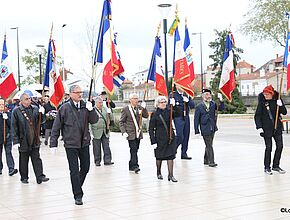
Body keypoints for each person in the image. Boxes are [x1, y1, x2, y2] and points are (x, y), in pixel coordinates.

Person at [50, 85, 98, 205]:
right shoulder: (64, 108)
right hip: (71, 143)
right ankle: (78, 195)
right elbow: (56, 127)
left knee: (86, 167)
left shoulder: (85, 106)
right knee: (74, 170)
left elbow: (94, 120)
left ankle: (77, 186)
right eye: (77, 92)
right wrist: (53, 143)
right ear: (70, 94)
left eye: (81, 92)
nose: (79, 94)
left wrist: (91, 110)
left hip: (84, 142)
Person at [11, 92, 49, 184]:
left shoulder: (35, 108)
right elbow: (14, 126)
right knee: (24, 160)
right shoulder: (16, 111)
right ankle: (24, 177)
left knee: (36, 158)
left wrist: (42, 114)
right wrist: (15, 141)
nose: (29, 100)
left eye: (29, 98)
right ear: (21, 101)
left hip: (34, 138)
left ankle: (40, 176)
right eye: (27, 99)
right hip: (23, 138)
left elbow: (42, 121)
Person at [254, 85, 287, 175]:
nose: (265, 96)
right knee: (269, 147)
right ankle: (267, 167)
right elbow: (257, 116)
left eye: (267, 94)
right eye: (264, 94)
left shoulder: (277, 100)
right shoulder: (262, 103)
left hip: (277, 127)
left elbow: (284, 112)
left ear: (272, 94)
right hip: (266, 129)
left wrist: (281, 105)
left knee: (280, 146)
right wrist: (259, 127)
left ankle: (276, 165)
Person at [149, 96, 182, 182]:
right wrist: (153, 141)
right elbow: (151, 129)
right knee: (159, 157)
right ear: (157, 104)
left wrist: (174, 106)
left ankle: (170, 175)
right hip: (159, 138)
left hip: (170, 137)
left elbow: (179, 114)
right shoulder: (155, 114)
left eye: (164, 102)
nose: (163, 104)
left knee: (171, 156)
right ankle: (158, 172)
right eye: (161, 102)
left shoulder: (169, 111)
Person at [194, 89, 224, 167]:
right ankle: (211, 161)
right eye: (206, 95)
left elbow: (220, 109)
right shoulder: (199, 106)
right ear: (203, 96)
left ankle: (206, 159)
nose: (208, 96)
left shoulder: (213, 104)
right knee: (209, 145)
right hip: (204, 127)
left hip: (213, 127)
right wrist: (196, 130)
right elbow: (196, 119)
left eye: (209, 95)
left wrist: (221, 100)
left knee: (209, 144)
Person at [119, 93, 148, 174]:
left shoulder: (139, 107)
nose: (136, 100)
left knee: (136, 149)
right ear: (130, 100)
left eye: (137, 98)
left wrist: (144, 108)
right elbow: (121, 122)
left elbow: (146, 116)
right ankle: (135, 166)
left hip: (138, 133)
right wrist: (123, 132)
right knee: (133, 149)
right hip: (130, 133)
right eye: (134, 98)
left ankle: (131, 165)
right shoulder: (126, 109)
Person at [169, 86, 195, 159]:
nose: (182, 87)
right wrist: (171, 104)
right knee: (180, 136)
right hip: (178, 117)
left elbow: (192, 106)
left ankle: (184, 153)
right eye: (180, 85)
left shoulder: (186, 94)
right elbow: (168, 107)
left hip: (186, 117)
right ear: (176, 86)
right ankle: (173, 149)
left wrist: (188, 100)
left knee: (186, 135)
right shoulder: (173, 94)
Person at [90, 96, 114, 166]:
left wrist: (110, 113)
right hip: (96, 131)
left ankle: (107, 160)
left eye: (101, 103)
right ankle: (97, 161)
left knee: (106, 147)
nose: (101, 104)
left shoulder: (105, 109)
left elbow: (110, 118)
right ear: (96, 103)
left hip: (105, 130)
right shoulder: (92, 110)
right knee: (96, 148)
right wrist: (90, 132)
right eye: (99, 103)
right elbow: (89, 122)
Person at [0, 101, 18, 176]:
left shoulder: (8, 113)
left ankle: (11, 168)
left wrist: (6, 118)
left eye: (2, 104)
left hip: (7, 136)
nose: (1, 106)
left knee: (8, 152)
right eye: (0, 104)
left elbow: (11, 125)